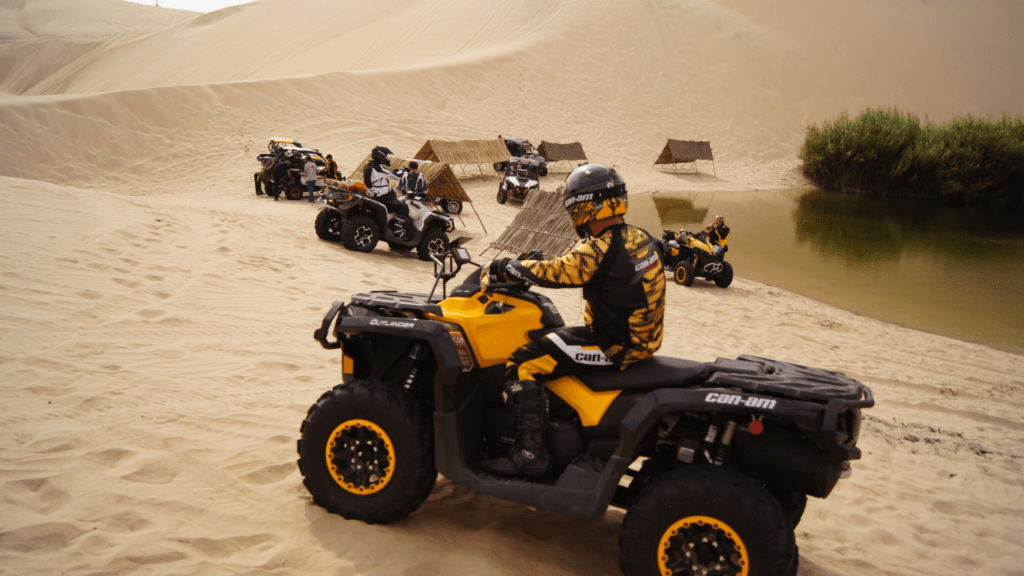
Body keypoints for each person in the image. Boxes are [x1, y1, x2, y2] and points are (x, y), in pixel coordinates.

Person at [480, 164, 666, 477]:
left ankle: (530, 452)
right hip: (643, 339)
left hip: (615, 345)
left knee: (523, 362)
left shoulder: (601, 248)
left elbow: (557, 273)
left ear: (584, 208)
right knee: (559, 338)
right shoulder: (640, 237)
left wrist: (507, 266)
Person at [362, 146, 410, 235]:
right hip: (383, 196)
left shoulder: (369, 166)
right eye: (386, 156)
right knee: (404, 208)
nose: (387, 158)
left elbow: (387, 174)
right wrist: (404, 171)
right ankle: (397, 229)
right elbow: (395, 176)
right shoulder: (379, 167)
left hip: (374, 194)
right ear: (381, 155)